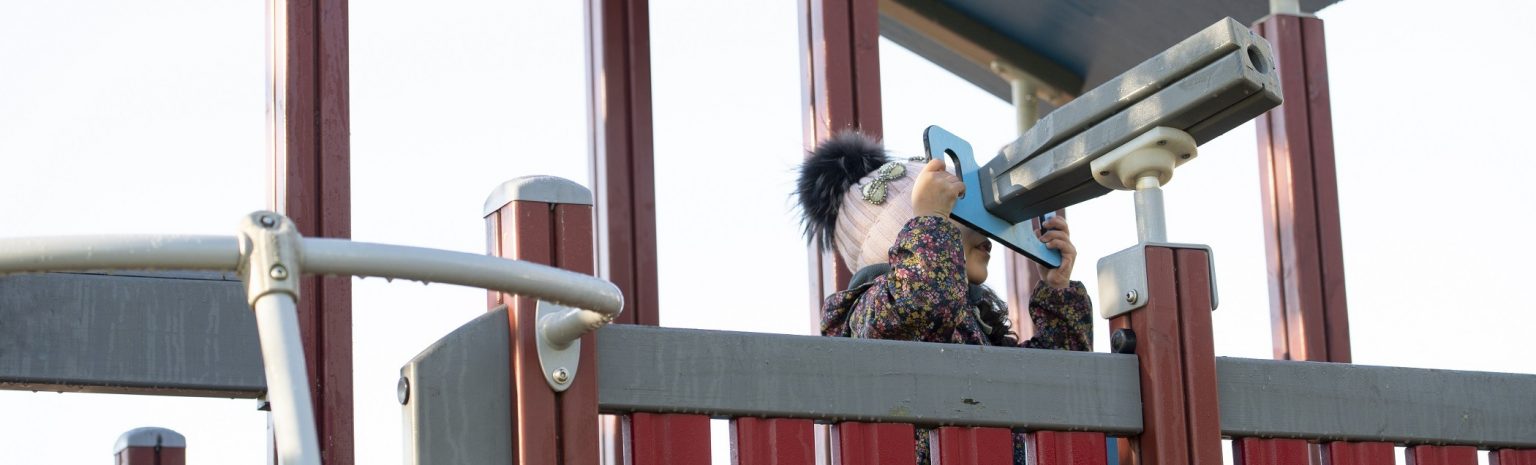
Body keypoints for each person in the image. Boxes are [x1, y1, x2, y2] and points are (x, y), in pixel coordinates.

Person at [796, 130, 1093, 464]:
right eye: (959, 213)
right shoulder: (875, 311)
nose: (984, 230)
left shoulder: (972, 322)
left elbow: (1052, 384)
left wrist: (1058, 294)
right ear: (909, 233)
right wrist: (931, 220)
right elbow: (922, 301)